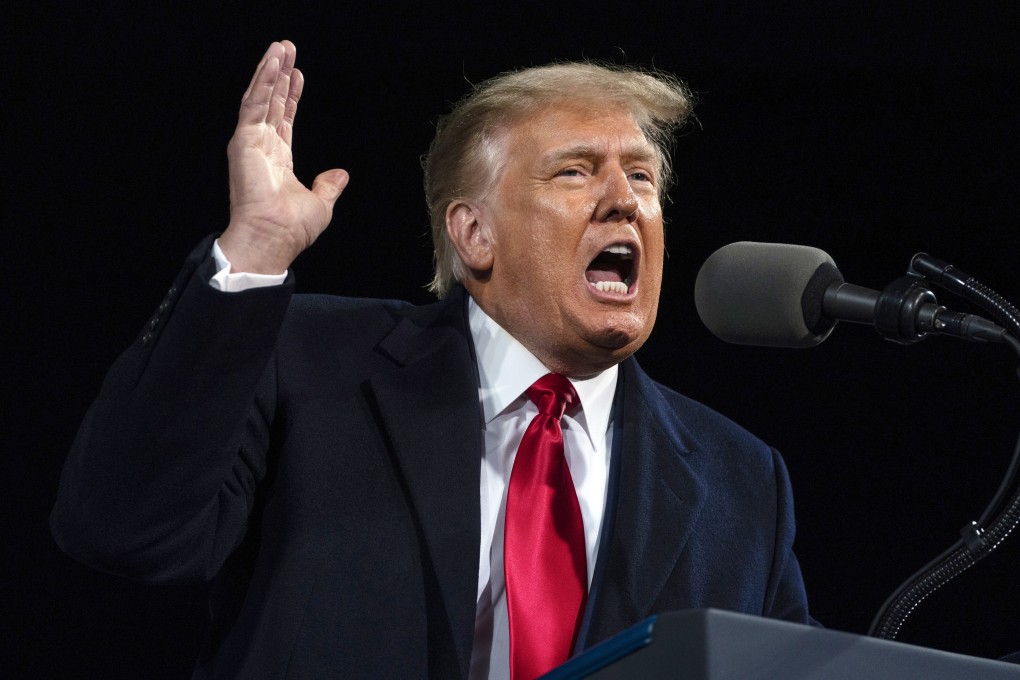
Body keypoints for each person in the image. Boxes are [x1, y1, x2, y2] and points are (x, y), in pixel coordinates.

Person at [52, 41, 811, 679]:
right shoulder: (308, 364)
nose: (625, 202)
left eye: (642, 176)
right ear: (473, 235)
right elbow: (122, 530)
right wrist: (252, 251)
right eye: (576, 172)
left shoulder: (740, 480)